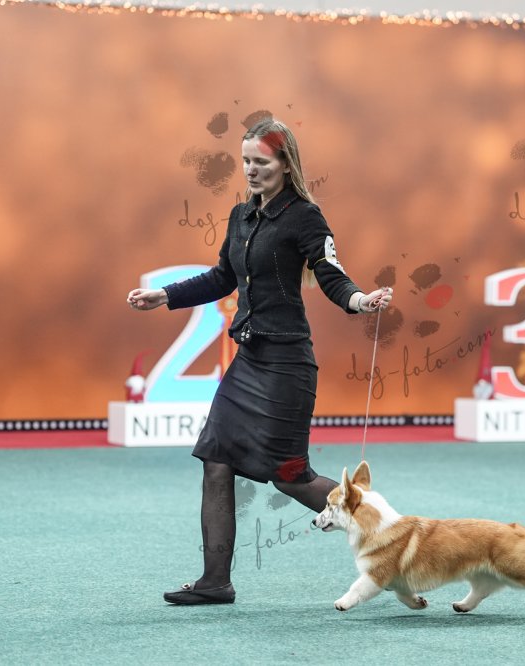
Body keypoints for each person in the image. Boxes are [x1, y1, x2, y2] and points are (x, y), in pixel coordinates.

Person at [126, 118, 392, 605]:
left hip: (288, 366)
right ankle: (215, 582)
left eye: (261, 162)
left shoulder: (305, 217)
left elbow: (331, 274)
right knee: (215, 460)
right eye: (245, 161)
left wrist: (359, 301)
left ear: (286, 164)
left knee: (291, 477)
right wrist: (165, 295)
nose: (250, 170)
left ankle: (392, 536)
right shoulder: (241, 216)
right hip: (248, 361)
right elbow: (221, 278)